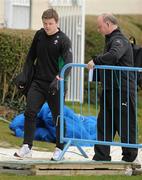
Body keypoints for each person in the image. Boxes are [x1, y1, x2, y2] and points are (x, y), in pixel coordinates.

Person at [14, 8, 72, 160]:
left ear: (57, 23)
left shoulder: (63, 40)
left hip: (55, 84)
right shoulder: (39, 35)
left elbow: (68, 65)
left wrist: (58, 80)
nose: (47, 26)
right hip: (38, 83)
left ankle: (60, 148)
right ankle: (27, 146)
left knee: (58, 117)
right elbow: (30, 57)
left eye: (50, 23)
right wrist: (24, 76)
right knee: (30, 112)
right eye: (45, 23)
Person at [87, 13, 138, 162]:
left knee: (125, 124)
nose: (98, 30)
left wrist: (96, 60)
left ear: (108, 24)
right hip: (110, 89)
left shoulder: (119, 40)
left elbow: (114, 56)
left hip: (122, 90)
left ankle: (130, 158)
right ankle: (101, 156)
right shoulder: (110, 40)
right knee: (104, 123)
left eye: (100, 26)